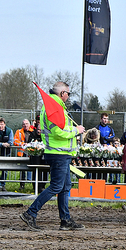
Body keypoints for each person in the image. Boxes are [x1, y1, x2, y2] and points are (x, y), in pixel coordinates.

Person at [20, 81, 85, 231]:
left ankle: (65, 220)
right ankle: (30, 213)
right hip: (58, 153)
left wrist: (75, 129)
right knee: (57, 186)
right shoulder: (53, 108)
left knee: (65, 186)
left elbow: (61, 128)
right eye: (68, 93)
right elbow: (57, 132)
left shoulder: (55, 107)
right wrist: (76, 131)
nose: (68, 96)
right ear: (62, 93)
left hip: (61, 153)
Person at [26, 116, 47, 193]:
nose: (39, 131)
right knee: (35, 172)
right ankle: (36, 187)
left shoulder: (45, 135)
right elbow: (29, 144)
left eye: (41, 130)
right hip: (35, 158)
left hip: (44, 157)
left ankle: (43, 186)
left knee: (44, 172)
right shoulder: (32, 134)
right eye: (38, 130)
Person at [0, 117, 13, 191]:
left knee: (5, 170)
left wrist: (7, 144)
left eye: (1, 124)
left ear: (4, 124)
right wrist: (2, 145)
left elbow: (11, 141)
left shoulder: (9, 131)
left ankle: (3, 184)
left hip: (6, 153)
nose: (0, 126)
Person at [13, 119, 34, 189]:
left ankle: (33, 184)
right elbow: (15, 141)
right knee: (22, 170)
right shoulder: (18, 132)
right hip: (22, 153)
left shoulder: (33, 132)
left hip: (31, 153)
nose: (25, 125)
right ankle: (22, 184)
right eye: (24, 124)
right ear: (22, 125)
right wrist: (22, 144)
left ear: (29, 124)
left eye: (27, 123)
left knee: (32, 168)